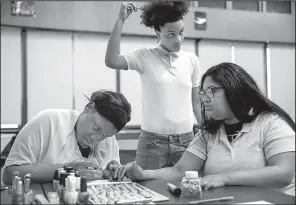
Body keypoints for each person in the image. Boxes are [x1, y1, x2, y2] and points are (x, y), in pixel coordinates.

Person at [112, 62, 295, 196]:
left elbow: (283, 173)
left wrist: (223, 178)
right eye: (203, 92)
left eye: (212, 91)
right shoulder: (209, 134)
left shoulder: (271, 123)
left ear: (234, 90)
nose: (204, 98)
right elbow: (179, 171)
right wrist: (143, 174)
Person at [105, 1, 202, 170]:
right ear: (158, 32)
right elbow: (111, 61)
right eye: (171, 34)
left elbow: (195, 103)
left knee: (186, 191)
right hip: (152, 143)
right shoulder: (144, 56)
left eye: (181, 33)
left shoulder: (191, 60)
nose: (178, 40)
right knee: (148, 192)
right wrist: (121, 19)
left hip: (186, 141)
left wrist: (207, 131)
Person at [1, 90, 131, 185]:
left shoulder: (109, 140)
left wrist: (107, 173)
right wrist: (68, 170)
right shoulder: (48, 122)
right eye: (96, 128)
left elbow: (104, 178)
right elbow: (9, 174)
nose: (96, 139)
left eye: (105, 135)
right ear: (89, 108)